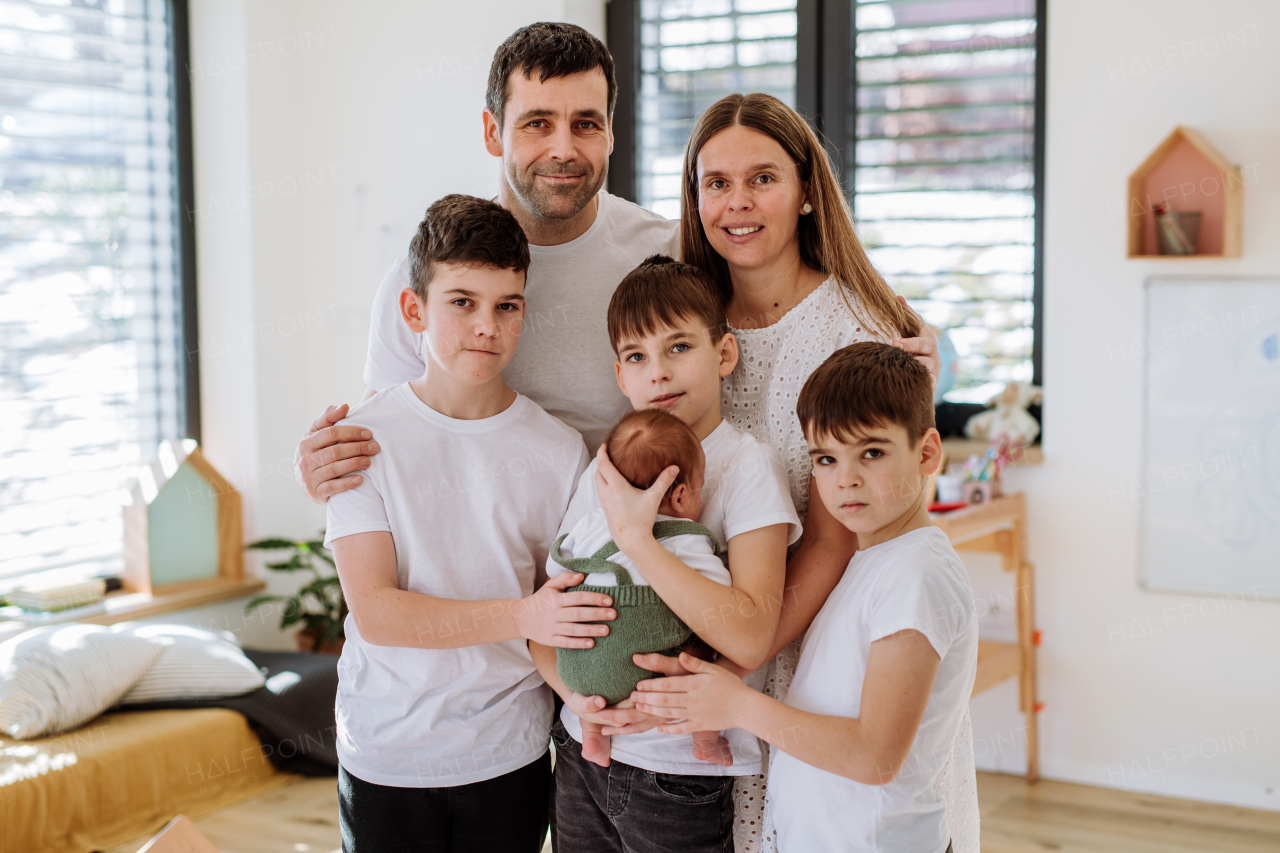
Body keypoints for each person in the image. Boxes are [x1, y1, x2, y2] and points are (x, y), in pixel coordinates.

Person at [592, 92, 975, 853]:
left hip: (804, 651)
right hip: (706, 644)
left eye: (763, 178)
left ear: (805, 190)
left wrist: (727, 667)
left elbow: (834, 539)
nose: (738, 203)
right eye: (716, 183)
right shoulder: (688, 329)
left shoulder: (857, 326)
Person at [324, 196, 615, 852]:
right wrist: (523, 616)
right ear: (414, 310)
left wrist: (590, 705)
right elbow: (379, 613)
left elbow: (555, 617)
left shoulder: (558, 449)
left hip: (507, 755)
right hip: (386, 752)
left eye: (506, 305)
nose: (487, 324)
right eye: (462, 301)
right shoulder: (360, 441)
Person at [631, 342, 978, 853]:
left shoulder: (915, 574)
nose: (847, 479)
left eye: (873, 453)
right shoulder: (875, 559)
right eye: (827, 459)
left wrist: (738, 706)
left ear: (926, 453)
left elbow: (872, 757)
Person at [532, 255, 802, 853]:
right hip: (581, 753)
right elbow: (544, 622)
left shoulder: (746, 468)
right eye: (636, 357)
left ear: (724, 355)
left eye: (678, 347)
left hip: (681, 769)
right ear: (620, 375)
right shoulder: (604, 469)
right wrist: (580, 700)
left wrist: (635, 539)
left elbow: (752, 635)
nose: (657, 373)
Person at [549, 408, 732, 769]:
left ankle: (594, 738)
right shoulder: (684, 538)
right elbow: (717, 597)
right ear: (679, 496)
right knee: (698, 652)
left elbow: (556, 569)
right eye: (700, 488)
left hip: (577, 671)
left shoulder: (590, 523)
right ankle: (705, 741)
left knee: (594, 685)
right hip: (642, 675)